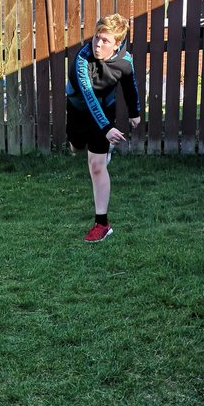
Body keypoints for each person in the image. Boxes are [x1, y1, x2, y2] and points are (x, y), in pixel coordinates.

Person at [65, 13, 142, 242]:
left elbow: (130, 86)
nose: (98, 44)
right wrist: (108, 127)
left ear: (117, 44)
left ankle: (102, 224)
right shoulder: (82, 59)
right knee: (76, 147)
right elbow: (88, 96)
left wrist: (135, 112)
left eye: (105, 41)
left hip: (104, 110)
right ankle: (100, 148)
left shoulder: (124, 62)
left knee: (96, 166)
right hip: (79, 108)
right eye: (97, 37)